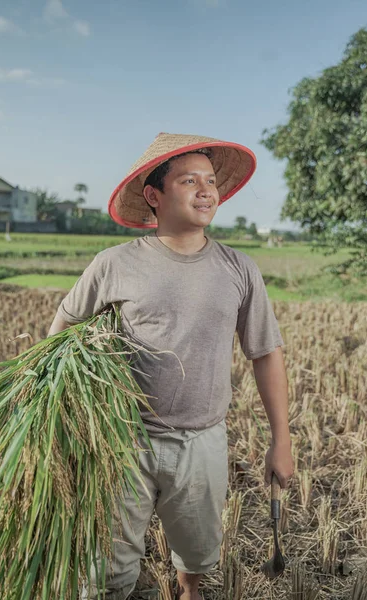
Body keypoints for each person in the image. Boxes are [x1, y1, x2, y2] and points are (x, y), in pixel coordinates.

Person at [48, 132, 294, 600]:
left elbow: (265, 353)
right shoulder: (113, 264)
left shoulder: (239, 269)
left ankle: (188, 589)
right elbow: (60, 336)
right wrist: (68, 418)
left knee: (198, 549)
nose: (206, 190)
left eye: (209, 180)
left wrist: (281, 440)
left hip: (202, 438)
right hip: (122, 438)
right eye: (188, 180)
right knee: (106, 565)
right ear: (154, 197)